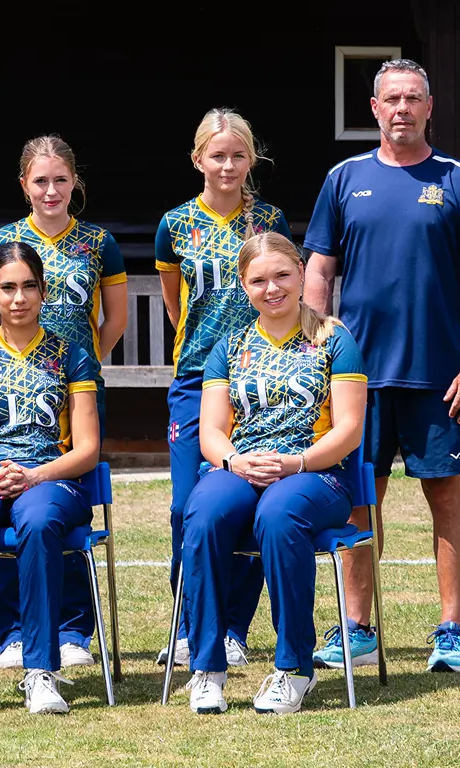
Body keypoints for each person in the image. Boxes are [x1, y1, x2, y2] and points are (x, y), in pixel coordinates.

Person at [304, 59, 460, 674]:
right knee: (361, 500)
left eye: (412, 98)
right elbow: (318, 269)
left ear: (429, 106)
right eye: (391, 98)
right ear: (373, 108)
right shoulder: (344, 179)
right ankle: (358, 629)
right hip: (357, 379)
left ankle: (451, 630)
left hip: (439, 374)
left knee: (446, 496)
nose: (401, 109)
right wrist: (314, 350)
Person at [178, 232, 368, 715]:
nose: (273, 288)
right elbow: (212, 434)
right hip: (243, 465)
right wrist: (234, 462)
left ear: (302, 274)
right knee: (202, 512)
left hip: (315, 472)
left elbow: (348, 429)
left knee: (280, 513)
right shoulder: (229, 346)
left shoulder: (334, 339)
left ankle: (293, 668)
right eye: (259, 280)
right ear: (244, 286)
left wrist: (297, 463)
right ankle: (207, 667)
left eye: (282, 275)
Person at [0, 136, 125, 674]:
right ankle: (14, 630)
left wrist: (72, 369)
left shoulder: (98, 241)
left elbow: (115, 320)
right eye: (40, 181)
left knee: (63, 504)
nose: (51, 190)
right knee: (8, 501)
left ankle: (73, 627)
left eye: (61, 179)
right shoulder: (2, 241)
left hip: (73, 391)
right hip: (9, 394)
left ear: (74, 183)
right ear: (24, 185)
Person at [0, 242, 101, 715]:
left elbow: (87, 448)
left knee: (39, 520)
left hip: (51, 479)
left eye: (29, 286)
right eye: (7, 287)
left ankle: (40, 671)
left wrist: (36, 475)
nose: (19, 297)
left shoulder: (72, 356)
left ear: (44, 291)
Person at [151, 109, 292, 669]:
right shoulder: (175, 224)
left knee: (254, 500)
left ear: (250, 160)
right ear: (198, 160)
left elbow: (283, 286)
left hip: (265, 377)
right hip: (195, 378)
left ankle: (233, 627)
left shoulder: (270, 219)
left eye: (238, 156)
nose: (227, 165)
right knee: (189, 506)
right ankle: (191, 628)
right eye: (217, 156)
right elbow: (173, 301)